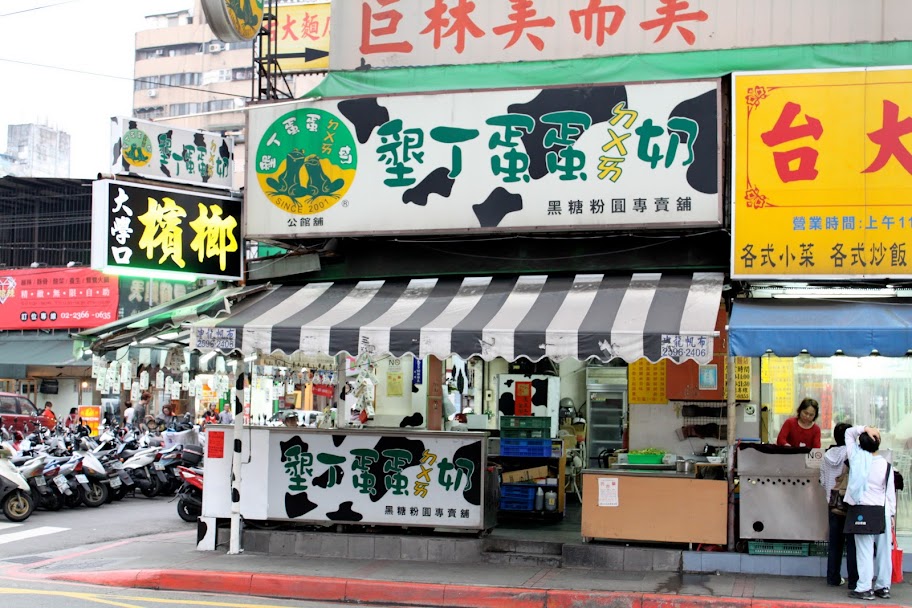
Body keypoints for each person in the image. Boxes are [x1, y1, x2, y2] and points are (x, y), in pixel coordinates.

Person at [845, 424, 896, 600]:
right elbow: (889, 493)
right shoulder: (887, 466)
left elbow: (848, 433)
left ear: (860, 443)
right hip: (882, 511)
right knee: (884, 551)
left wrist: (865, 428)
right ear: (878, 443)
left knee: (864, 551)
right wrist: (891, 515)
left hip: (862, 510)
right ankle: (883, 586)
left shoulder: (855, 458)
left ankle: (864, 588)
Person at [820, 422, 857, 588]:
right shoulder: (851, 453)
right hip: (849, 502)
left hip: (832, 502)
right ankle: (854, 581)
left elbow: (822, 480)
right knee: (852, 544)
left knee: (835, 543)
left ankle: (833, 577)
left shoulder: (826, 455)